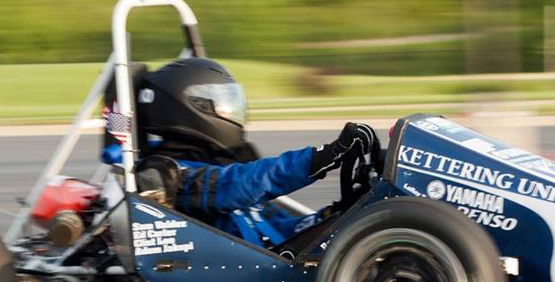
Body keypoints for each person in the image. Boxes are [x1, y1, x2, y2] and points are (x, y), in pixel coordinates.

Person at [101, 57, 378, 247]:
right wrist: (319, 158)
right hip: (244, 275)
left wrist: (331, 216)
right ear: (192, 108)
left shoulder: (216, 163)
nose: (231, 111)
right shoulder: (171, 173)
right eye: (222, 102)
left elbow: (279, 227)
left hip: (277, 259)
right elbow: (239, 185)